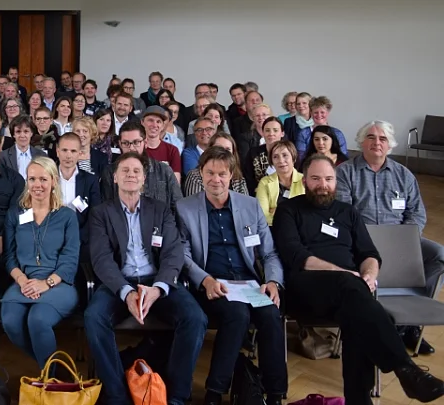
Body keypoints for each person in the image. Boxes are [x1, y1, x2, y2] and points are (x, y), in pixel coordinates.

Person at [273, 154, 444, 404]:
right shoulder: (289, 209)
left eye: (328, 179)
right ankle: (406, 370)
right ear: (305, 181)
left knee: (357, 312)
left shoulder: (348, 212)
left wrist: (369, 275)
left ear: (336, 182)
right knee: (362, 302)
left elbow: (369, 254)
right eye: (316, 179)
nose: (323, 185)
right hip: (305, 288)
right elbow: (295, 255)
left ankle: (362, 398)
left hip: (350, 291)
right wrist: (343, 274)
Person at [84, 151, 206, 405]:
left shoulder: (160, 210)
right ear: (115, 177)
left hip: (156, 281)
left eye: (136, 171)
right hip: (118, 283)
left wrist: (159, 288)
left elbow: (173, 253)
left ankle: (176, 397)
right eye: (125, 170)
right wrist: (127, 292)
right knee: (94, 318)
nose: (131, 175)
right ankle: (118, 396)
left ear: (143, 179)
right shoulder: (101, 213)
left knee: (195, 318)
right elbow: (101, 259)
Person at [175, 147, 287, 405]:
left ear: (231, 175)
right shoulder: (185, 208)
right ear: (200, 174)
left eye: (222, 174)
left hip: (249, 283)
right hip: (211, 282)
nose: (216, 179)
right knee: (237, 315)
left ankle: (275, 393)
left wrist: (272, 281)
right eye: (210, 173)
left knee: (271, 315)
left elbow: (269, 253)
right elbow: (182, 255)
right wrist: (205, 280)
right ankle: (215, 391)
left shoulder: (250, 206)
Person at [337, 120, 444, 355]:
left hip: (399, 240)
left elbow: (416, 213)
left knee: (438, 255)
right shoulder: (345, 172)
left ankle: (408, 323)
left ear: (390, 145)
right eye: (371, 137)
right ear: (361, 142)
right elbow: (343, 214)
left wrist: (402, 240)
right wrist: (370, 242)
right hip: (362, 242)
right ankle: (374, 322)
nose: (377, 142)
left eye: (383, 138)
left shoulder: (403, 175)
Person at [1, 157, 80, 368]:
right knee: (10, 322)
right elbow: (9, 256)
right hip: (24, 282)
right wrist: (23, 281)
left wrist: (46, 283)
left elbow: (70, 258)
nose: (37, 185)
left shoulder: (67, 216)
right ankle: (53, 370)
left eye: (43, 179)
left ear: (54, 181)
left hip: (58, 284)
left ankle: (50, 378)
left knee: (38, 320)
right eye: (32, 179)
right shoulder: (15, 214)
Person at [102, 122, 182, 211]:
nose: (131, 148)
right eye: (126, 143)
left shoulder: (164, 170)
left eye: (136, 142)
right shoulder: (110, 172)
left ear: (145, 143)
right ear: (120, 144)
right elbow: (105, 209)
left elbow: (179, 207)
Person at [55, 133, 102, 258]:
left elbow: (95, 214)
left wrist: (76, 238)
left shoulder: (90, 180)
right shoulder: (47, 177)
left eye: (73, 151)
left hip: (81, 242)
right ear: (57, 151)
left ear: (80, 153)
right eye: (64, 150)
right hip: (50, 240)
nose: (68, 155)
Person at [183, 133, 250, 197]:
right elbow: (194, 203)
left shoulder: (238, 178)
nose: (223, 153)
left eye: (227, 149)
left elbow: (245, 203)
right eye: (219, 148)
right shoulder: (195, 176)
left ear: (233, 153)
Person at [256, 140, 304, 225]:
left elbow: (307, 213)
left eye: (285, 155)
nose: (281, 160)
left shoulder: (304, 180)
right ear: (271, 161)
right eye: (275, 157)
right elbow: (262, 216)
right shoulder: (264, 183)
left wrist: (276, 212)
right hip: (273, 229)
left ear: (293, 158)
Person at [242, 114, 282, 194]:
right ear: (262, 133)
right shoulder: (253, 153)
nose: (271, 133)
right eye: (267, 130)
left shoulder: (289, 152)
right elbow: (248, 179)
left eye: (275, 130)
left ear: (282, 133)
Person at [142, 106, 182, 182]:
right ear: (142, 122)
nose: (154, 125)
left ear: (163, 126)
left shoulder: (172, 150)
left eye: (158, 122)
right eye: (150, 120)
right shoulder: (136, 148)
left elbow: (176, 183)